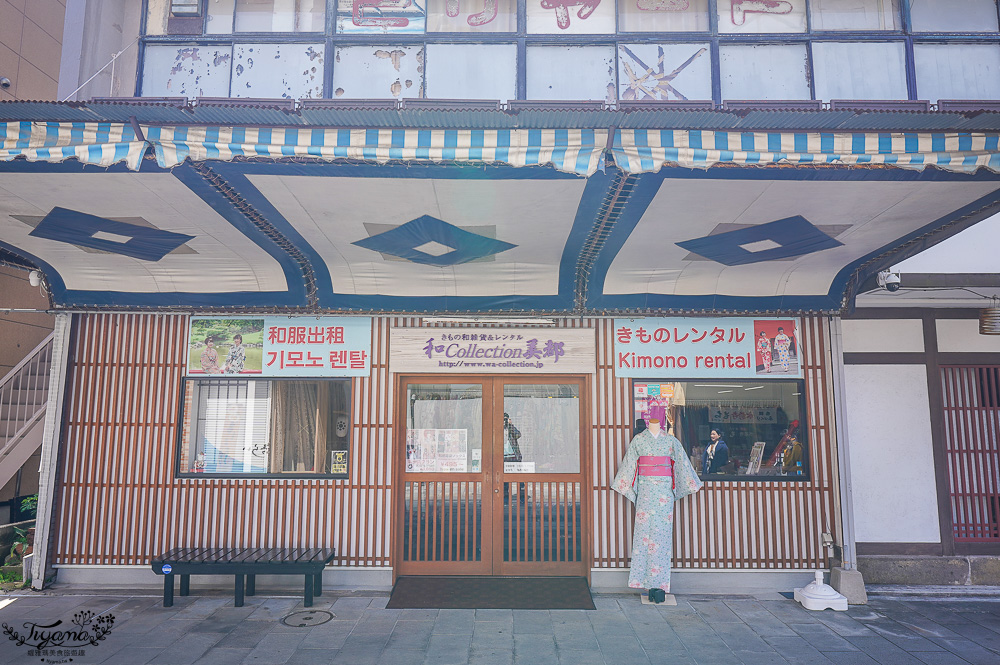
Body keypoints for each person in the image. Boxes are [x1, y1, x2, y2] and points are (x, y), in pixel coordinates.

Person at [612, 418, 703, 595]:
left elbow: (681, 465)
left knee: (662, 536)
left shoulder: (670, 441)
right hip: (645, 491)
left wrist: (683, 485)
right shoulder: (639, 439)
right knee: (643, 535)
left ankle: (660, 585)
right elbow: (630, 465)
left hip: (663, 493)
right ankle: (641, 581)